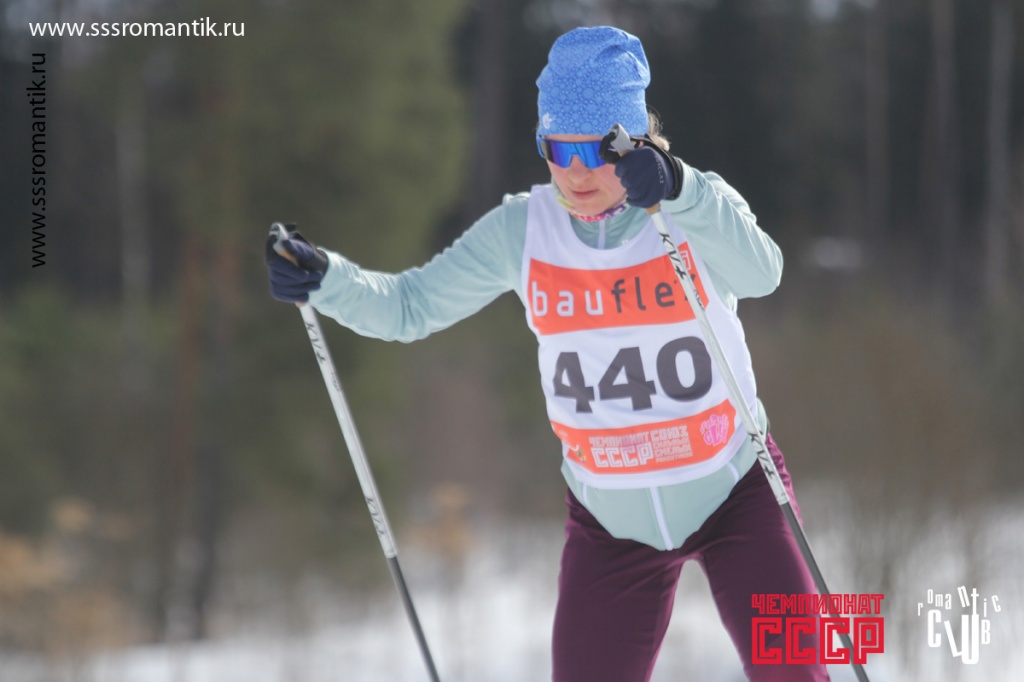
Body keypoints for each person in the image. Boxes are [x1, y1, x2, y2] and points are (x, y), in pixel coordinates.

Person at [266, 25, 829, 682]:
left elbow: (764, 275)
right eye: (559, 148)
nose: (577, 171)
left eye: (598, 148)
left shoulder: (690, 205)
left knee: (797, 673)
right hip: (610, 521)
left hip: (734, 490)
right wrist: (326, 279)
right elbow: (409, 307)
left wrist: (681, 186)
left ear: (635, 141)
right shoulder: (523, 230)